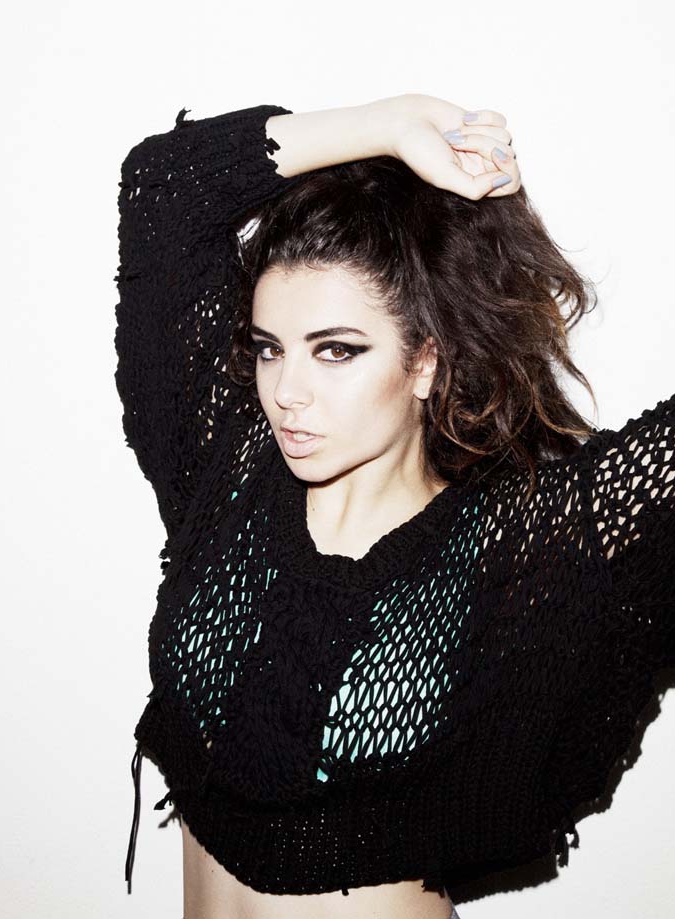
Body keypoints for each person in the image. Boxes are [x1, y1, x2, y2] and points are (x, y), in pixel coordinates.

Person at [114, 94, 674, 919]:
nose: (287, 391)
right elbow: (163, 189)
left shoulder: (513, 544)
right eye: (269, 348)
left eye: (336, 351)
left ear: (426, 361)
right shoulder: (227, 473)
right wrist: (394, 125)